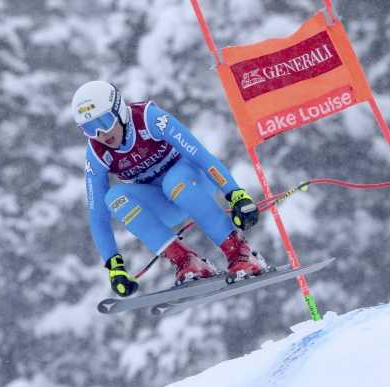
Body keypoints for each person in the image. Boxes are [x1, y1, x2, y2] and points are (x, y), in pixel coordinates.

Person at [73, 80, 267, 298]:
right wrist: (113, 265)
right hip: (164, 205)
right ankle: (187, 261)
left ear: (119, 111)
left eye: (105, 121)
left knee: (173, 182)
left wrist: (235, 193)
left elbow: (201, 156)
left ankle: (240, 252)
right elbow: (98, 215)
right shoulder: (97, 154)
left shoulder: (149, 119)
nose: (101, 133)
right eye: (90, 129)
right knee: (114, 198)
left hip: (193, 184)